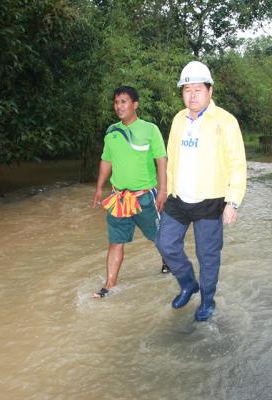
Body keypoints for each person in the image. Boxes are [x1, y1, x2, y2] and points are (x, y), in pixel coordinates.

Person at [155, 61, 247, 321]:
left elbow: (237, 164)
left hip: (210, 199)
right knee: (165, 243)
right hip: (178, 198)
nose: (192, 95)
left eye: (198, 89)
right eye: (187, 90)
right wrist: (166, 190)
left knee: (207, 256)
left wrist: (232, 202)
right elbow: (171, 158)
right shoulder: (178, 119)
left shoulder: (225, 121)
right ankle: (188, 283)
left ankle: (207, 300)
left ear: (210, 90)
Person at [92, 85, 169, 298]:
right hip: (118, 198)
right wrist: (99, 187)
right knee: (115, 242)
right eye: (116, 102)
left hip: (145, 197)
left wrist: (163, 190)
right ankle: (109, 285)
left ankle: (169, 264)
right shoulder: (111, 131)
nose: (119, 106)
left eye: (123, 101)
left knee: (161, 237)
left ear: (135, 104)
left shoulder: (150, 129)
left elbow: (161, 160)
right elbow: (106, 161)